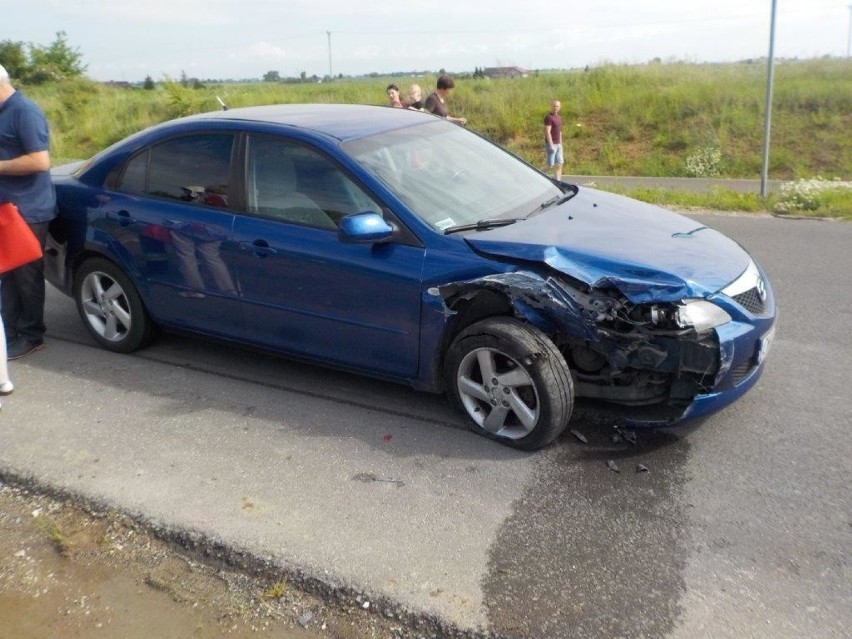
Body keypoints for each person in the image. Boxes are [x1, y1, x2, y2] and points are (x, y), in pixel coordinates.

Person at [0, 63, 56, 360]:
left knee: (27, 275)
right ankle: (6, 333)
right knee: (7, 272)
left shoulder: (25, 111)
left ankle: (32, 335)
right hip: (7, 209)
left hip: (29, 209)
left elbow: (40, 162)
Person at [543, 99, 564, 181]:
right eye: (554, 106)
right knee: (550, 165)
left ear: (560, 107)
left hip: (558, 144)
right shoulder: (548, 117)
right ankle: (536, 175)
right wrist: (551, 145)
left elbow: (560, 131)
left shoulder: (559, 117)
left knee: (559, 164)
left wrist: (561, 144)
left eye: (557, 106)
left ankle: (558, 181)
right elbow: (547, 132)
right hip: (551, 144)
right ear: (551, 106)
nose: (555, 108)